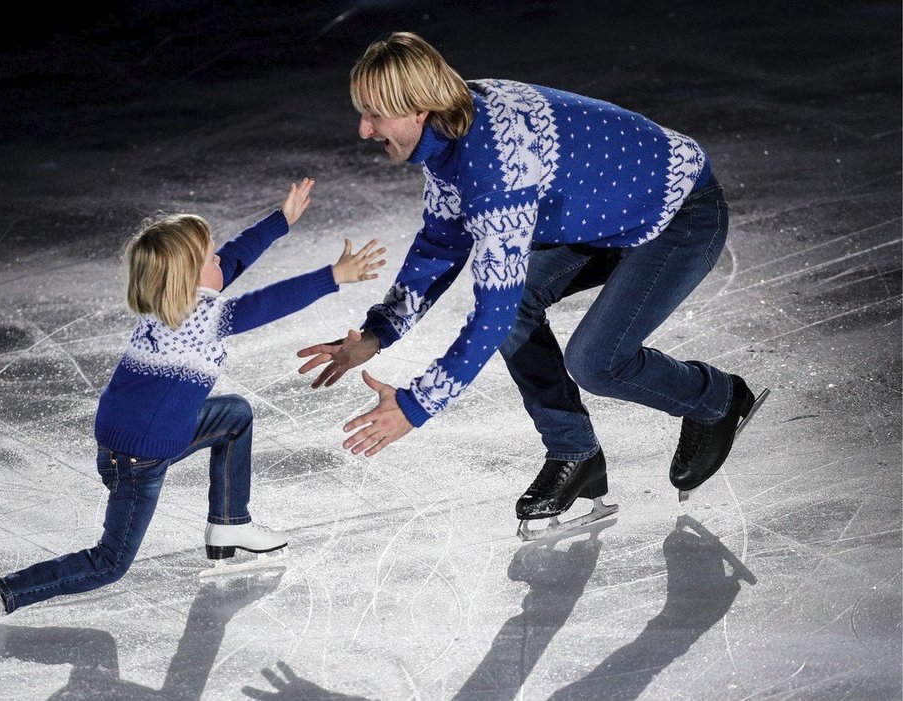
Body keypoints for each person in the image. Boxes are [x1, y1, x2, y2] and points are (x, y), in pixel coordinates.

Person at [296, 33, 767, 532]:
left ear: (418, 109)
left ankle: (715, 398)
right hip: (601, 219)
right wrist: (376, 335)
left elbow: (491, 314)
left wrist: (415, 406)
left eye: (374, 114)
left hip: (681, 214)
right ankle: (575, 453)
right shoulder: (453, 130)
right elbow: (441, 245)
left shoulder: (497, 161)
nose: (364, 130)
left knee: (594, 361)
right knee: (520, 306)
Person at [0, 177, 387, 634]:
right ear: (189, 280)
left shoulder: (169, 302)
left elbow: (231, 260)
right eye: (209, 257)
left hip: (149, 434)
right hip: (138, 458)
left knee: (234, 415)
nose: (222, 259)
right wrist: (333, 276)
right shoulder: (203, 319)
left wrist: (280, 222)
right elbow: (266, 303)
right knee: (109, 562)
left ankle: (230, 524)